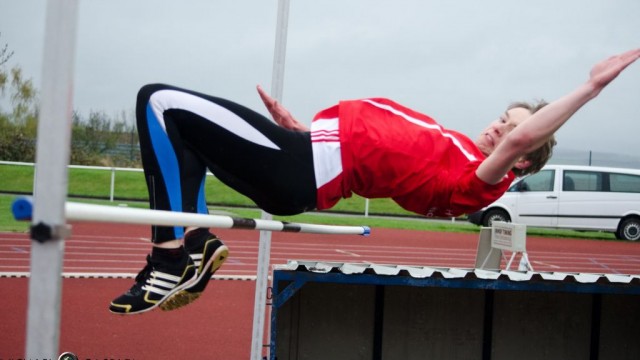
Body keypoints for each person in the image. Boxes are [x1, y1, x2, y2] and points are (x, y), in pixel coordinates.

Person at [109, 49, 639, 314]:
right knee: (186, 136)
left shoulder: (480, 180)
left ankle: (169, 258)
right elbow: (376, 153)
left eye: (514, 129)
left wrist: (590, 88)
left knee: (159, 102)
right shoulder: (451, 146)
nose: (503, 126)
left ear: (520, 161)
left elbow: (521, 142)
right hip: (306, 154)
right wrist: (306, 129)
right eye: (506, 116)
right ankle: (195, 244)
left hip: (302, 168)